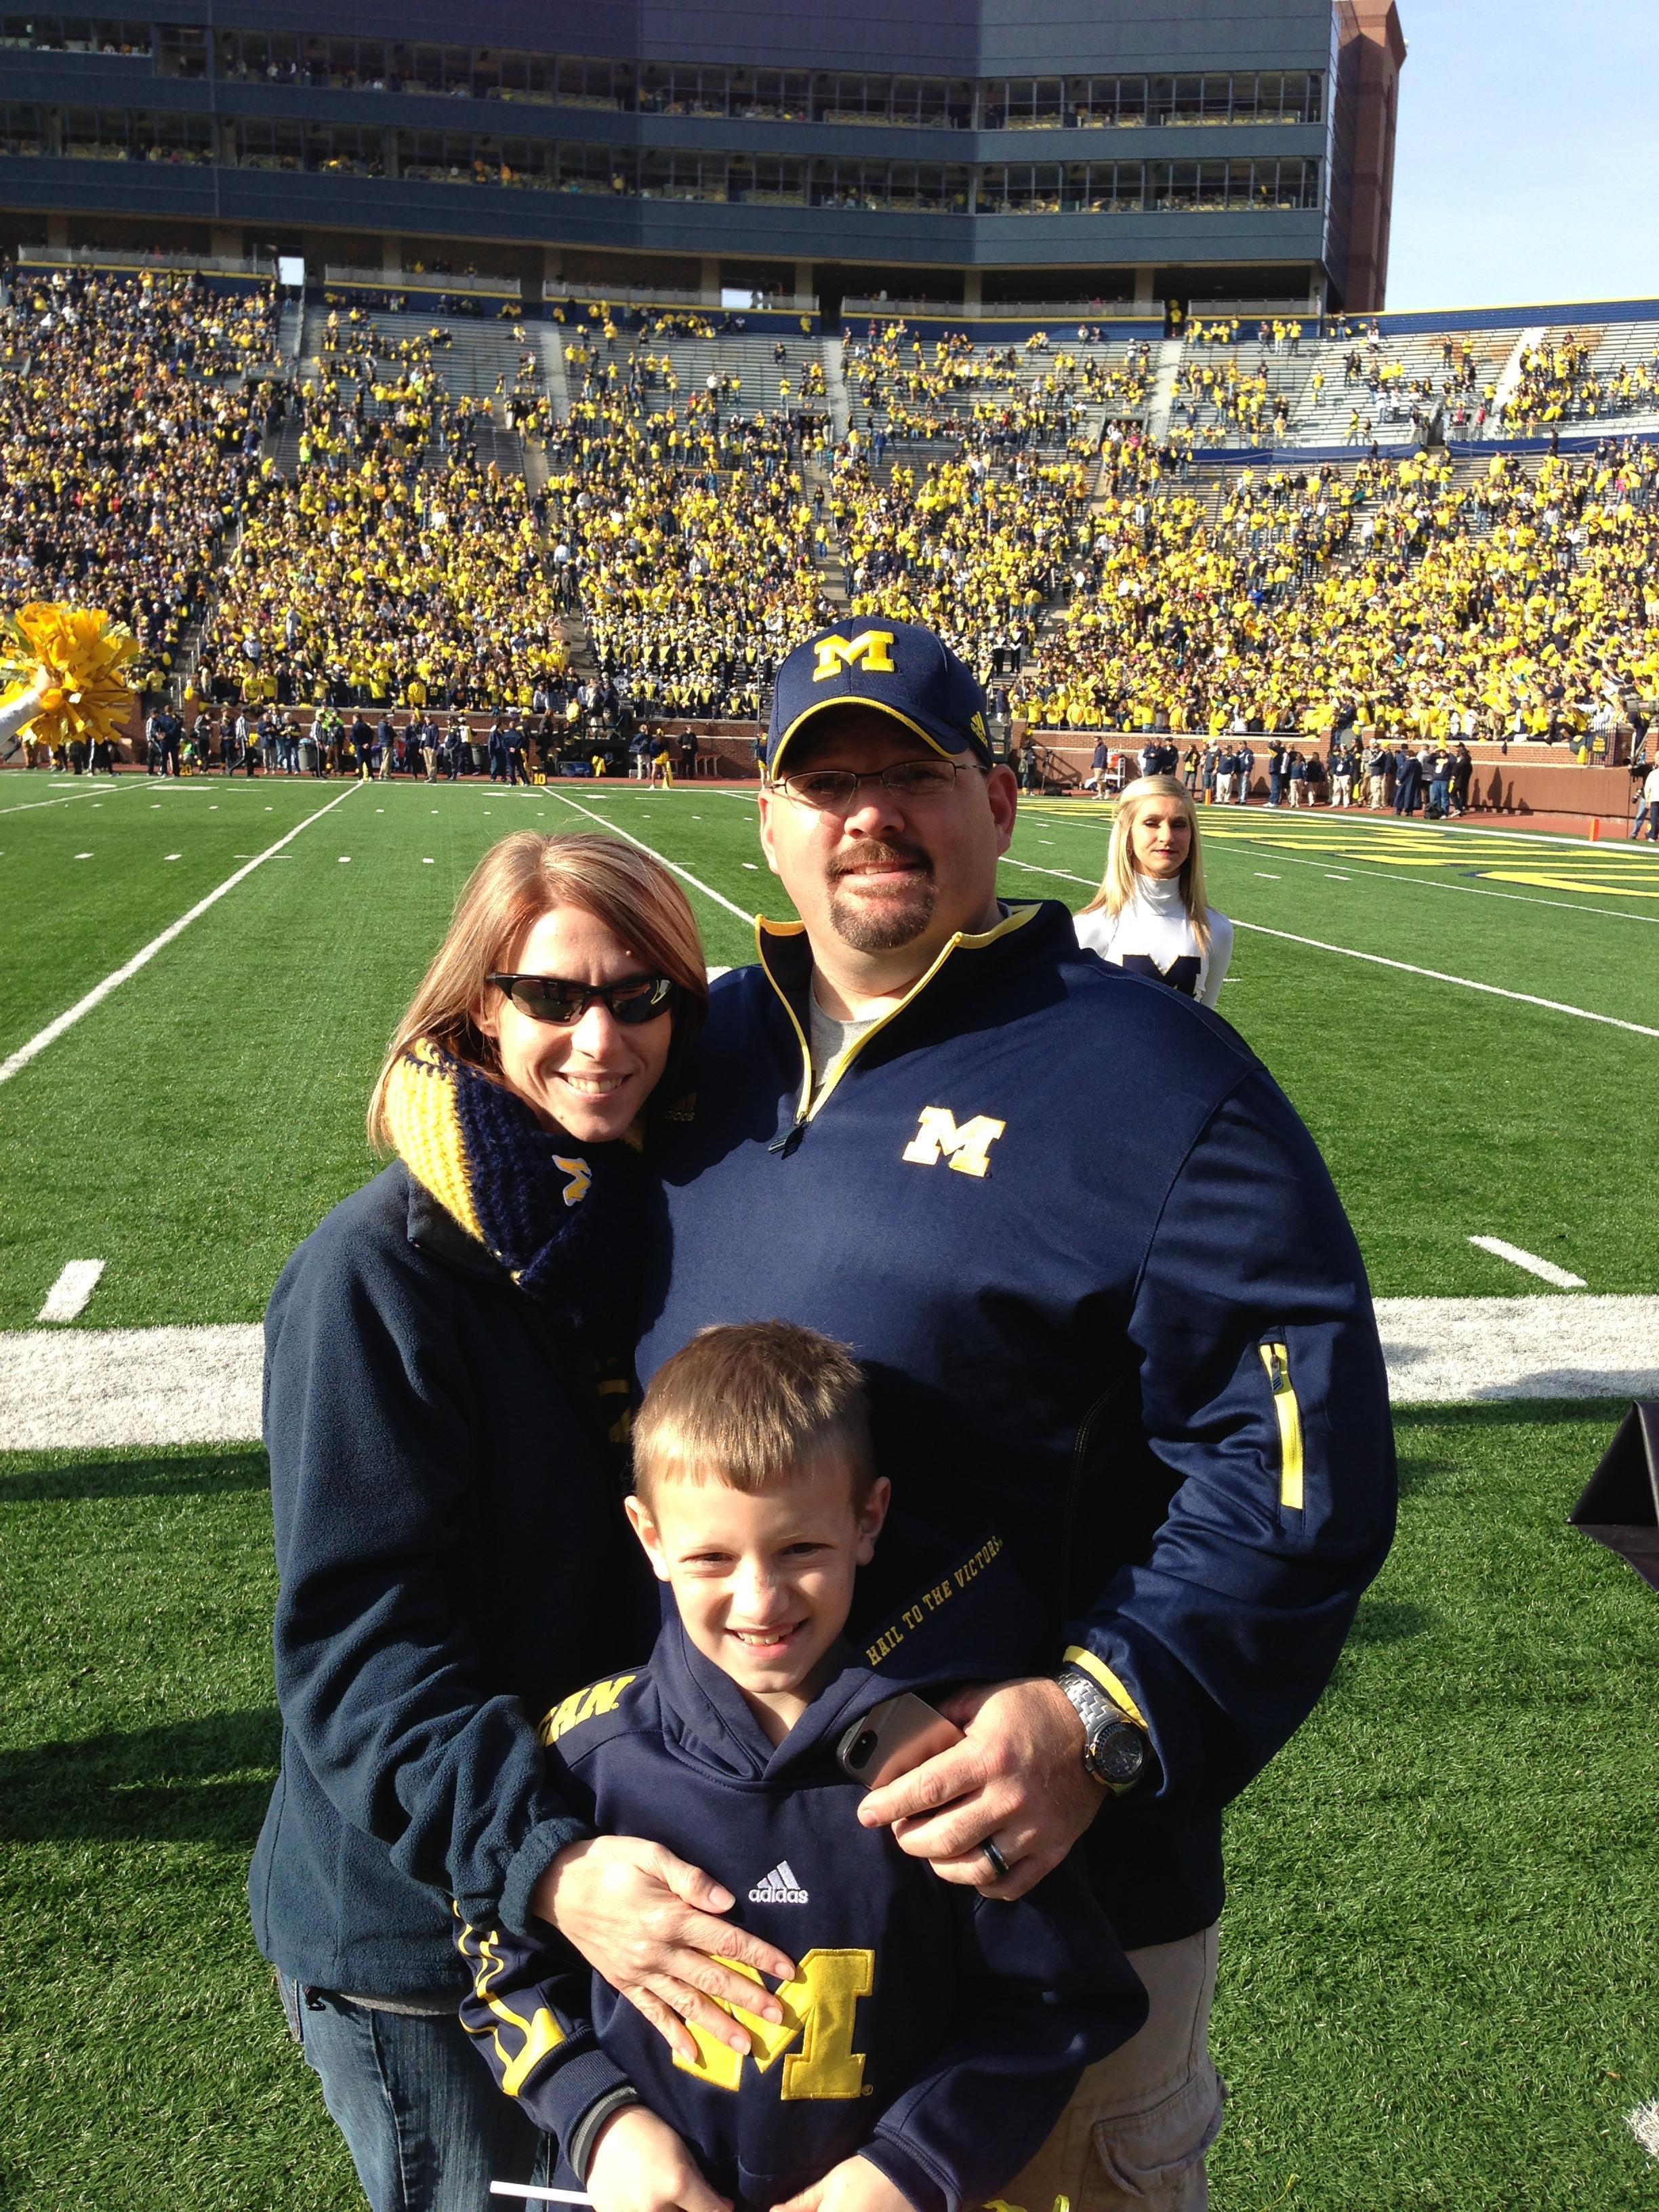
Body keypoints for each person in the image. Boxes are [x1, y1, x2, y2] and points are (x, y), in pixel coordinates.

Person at [638, 619, 1395, 2211]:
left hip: (1041, 1936)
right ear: (766, 822)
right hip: (723, 1912)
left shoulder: (1158, 1079)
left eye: (910, 773)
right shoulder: (689, 1051)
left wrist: (1096, 1719)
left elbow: (1295, 1467)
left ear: (995, 801)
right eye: (825, 782)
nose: (869, 814)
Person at [251, 834, 800, 2212]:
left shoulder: (651, 1222)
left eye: (639, 996)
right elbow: (360, 1649)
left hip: (621, 1882)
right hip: (434, 1932)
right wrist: (549, 1866)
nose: (599, 1038)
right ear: (477, 1009)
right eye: (551, 996)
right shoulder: (375, 1275)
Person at [455, 1322, 1147, 2212]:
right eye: (711, 1558)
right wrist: (603, 2124)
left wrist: (908, 2170)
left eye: (800, 1551)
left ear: (868, 1520)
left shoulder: (947, 1769)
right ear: (649, 1537)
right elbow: (494, 1956)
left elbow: (1053, 2001)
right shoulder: (588, 1755)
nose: (760, 1599)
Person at [1072, 775, 1233, 1010]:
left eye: (1179, 824)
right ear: (1127, 835)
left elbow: (1205, 1021)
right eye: (1151, 823)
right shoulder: (1091, 925)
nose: (1167, 837)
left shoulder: (1216, 929)